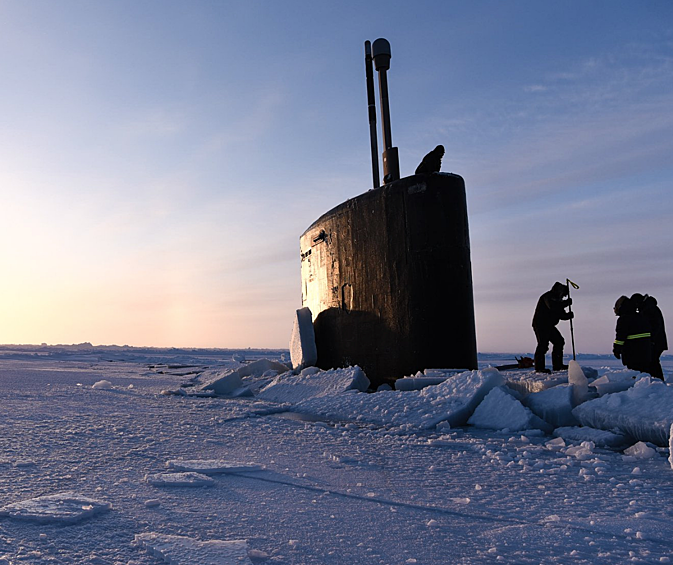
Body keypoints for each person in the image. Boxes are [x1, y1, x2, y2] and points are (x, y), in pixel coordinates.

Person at [532, 282, 574, 373]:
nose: (563, 297)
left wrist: (568, 316)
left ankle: (558, 365)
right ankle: (539, 368)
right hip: (540, 324)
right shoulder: (548, 296)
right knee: (543, 344)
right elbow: (553, 307)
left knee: (559, 341)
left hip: (549, 325)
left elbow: (560, 314)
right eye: (563, 295)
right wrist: (565, 303)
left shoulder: (558, 300)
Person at [630, 293, 667, 380]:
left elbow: (654, 326)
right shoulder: (649, 307)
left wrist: (651, 340)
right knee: (653, 362)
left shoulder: (649, 309)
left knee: (653, 362)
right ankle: (656, 381)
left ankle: (657, 382)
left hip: (655, 342)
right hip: (657, 342)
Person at [613, 295, 652, 374]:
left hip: (632, 352)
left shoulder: (624, 319)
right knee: (645, 372)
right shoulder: (641, 316)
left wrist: (616, 350)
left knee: (635, 373)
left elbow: (620, 337)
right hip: (646, 351)